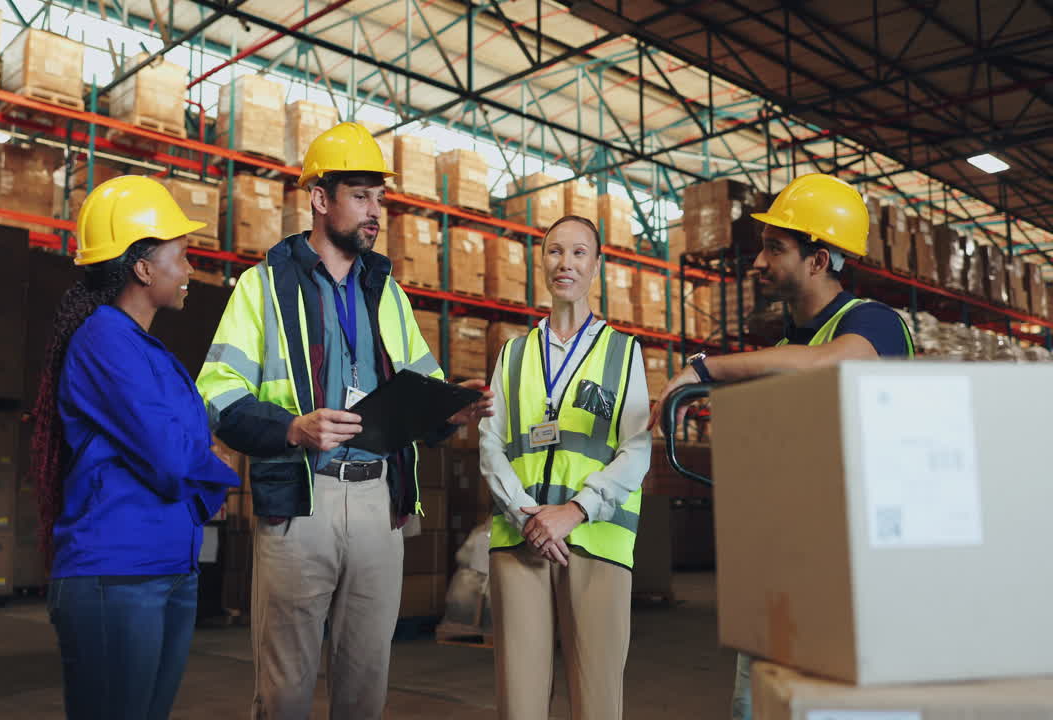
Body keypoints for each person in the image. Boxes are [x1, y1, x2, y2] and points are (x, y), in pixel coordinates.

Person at [195, 122, 494, 720]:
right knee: (285, 687)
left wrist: (450, 410)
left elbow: (418, 394)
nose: (374, 210)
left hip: (378, 505)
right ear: (318, 198)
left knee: (366, 683)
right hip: (300, 503)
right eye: (360, 195)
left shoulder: (389, 293)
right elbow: (216, 394)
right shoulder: (263, 287)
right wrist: (291, 427)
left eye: (379, 197)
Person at [648, 172, 915, 720]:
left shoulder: (873, 324)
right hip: (786, 556)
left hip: (857, 563)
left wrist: (707, 368)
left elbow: (838, 363)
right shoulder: (786, 346)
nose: (757, 262)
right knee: (757, 703)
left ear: (819, 260)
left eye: (775, 247)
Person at [29, 176, 242, 720]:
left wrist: (202, 465)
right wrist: (211, 468)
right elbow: (175, 456)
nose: (190, 270)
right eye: (182, 256)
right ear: (143, 268)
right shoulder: (103, 340)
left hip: (168, 565)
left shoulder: (148, 351)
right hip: (117, 575)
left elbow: (182, 450)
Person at [479, 215, 652, 720]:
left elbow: (637, 449)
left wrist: (576, 510)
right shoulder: (513, 353)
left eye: (579, 253)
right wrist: (526, 515)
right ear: (542, 262)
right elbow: (491, 444)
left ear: (596, 266)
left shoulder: (624, 352)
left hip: (597, 540)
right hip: (520, 540)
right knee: (519, 700)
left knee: (597, 699)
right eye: (555, 251)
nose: (566, 263)